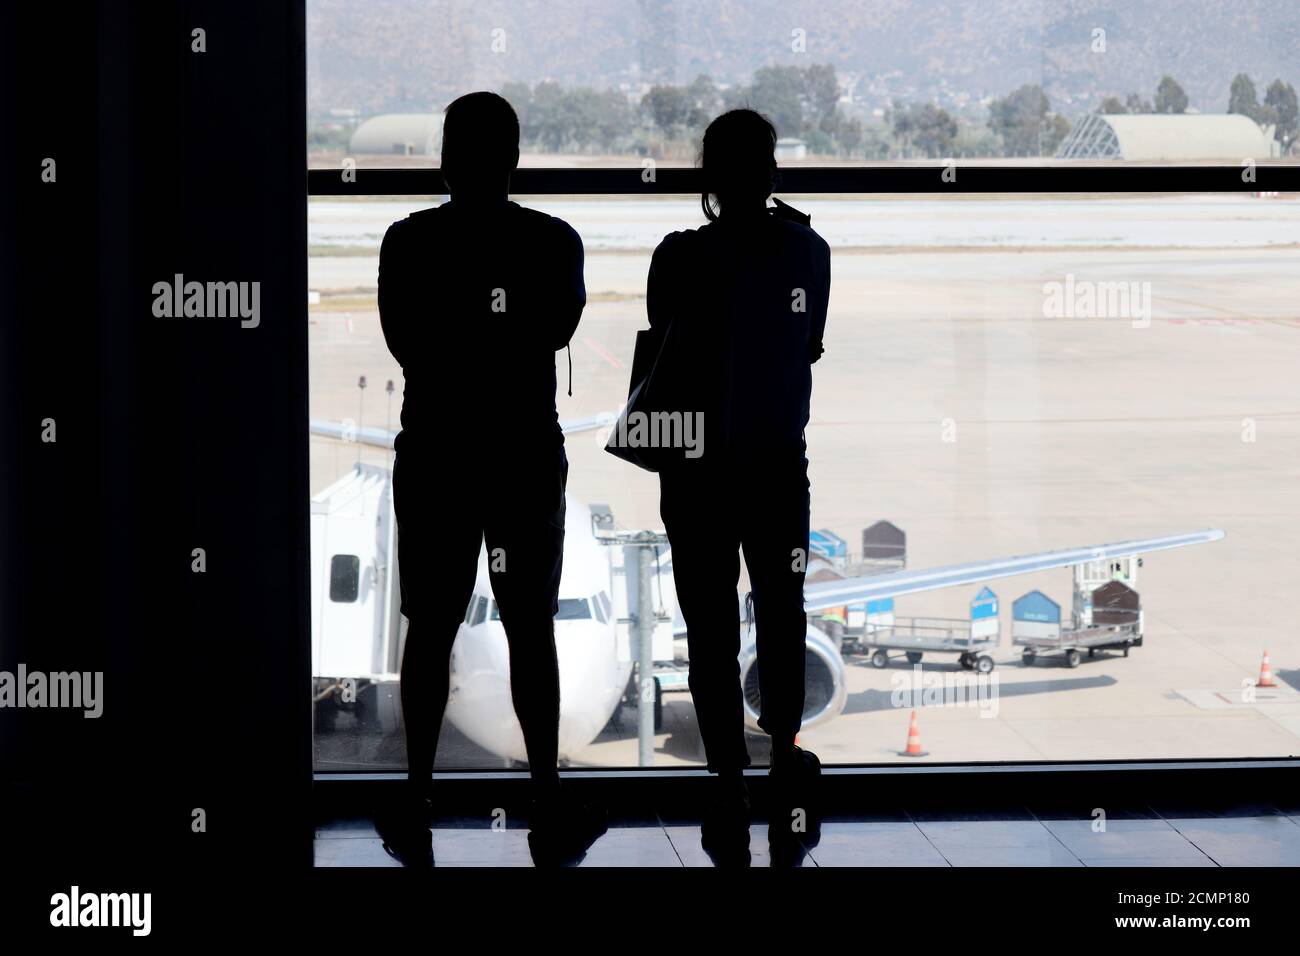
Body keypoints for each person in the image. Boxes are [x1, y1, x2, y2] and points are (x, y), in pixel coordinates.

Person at [373, 91, 605, 866]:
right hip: (521, 453)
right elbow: (556, 327)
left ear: (446, 158)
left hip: (438, 452)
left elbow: (408, 343)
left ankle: (415, 795)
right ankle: (545, 795)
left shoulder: (407, 243)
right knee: (531, 627)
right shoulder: (552, 241)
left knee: (431, 628)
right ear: (514, 159)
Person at [645, 108, 831, 859]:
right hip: (775, 464)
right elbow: (808, 346)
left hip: (695, 471)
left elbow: (665, 343)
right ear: (772, 170)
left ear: (707, 177)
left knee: (709, 626)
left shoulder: (677, 257)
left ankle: (727, 771)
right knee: (781, 610)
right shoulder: (807, 251)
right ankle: (785, 753)